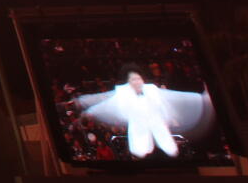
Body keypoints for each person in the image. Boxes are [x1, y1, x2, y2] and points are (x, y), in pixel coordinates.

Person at [73, 65, 210, 159]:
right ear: (129, 82)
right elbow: (105, 101)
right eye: (133, 79)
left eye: (138, 78)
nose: (137, 81)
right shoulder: (123, 93)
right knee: (142, 152)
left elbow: (174, 96)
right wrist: (86, 108)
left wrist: (198, 99)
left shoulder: (152, 90)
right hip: (139, 131)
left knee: (170, 151)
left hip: (159, 128)